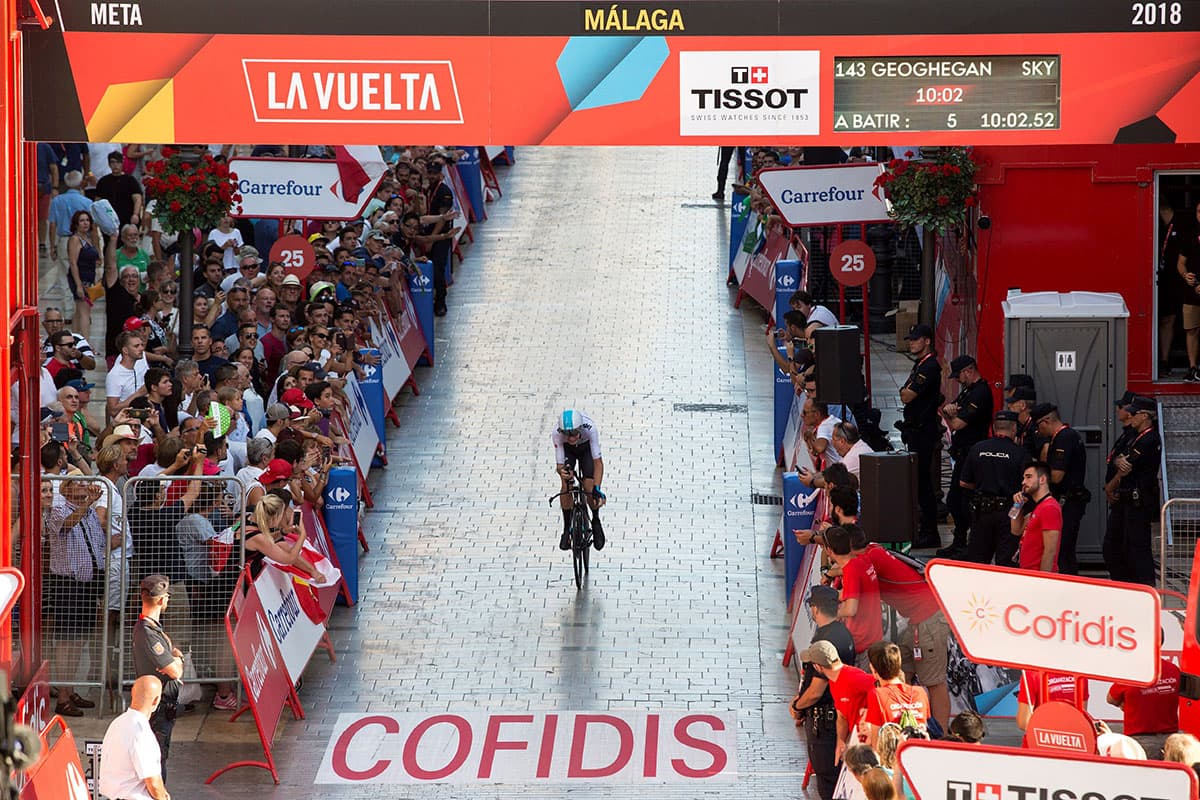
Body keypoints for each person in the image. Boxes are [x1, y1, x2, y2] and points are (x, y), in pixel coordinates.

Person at [44, 478, 106, 716]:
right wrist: (88, 502)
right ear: (67, 488)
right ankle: (62, 696)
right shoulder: (59, 510)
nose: (84, 486)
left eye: (85, 482)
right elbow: (68, 524)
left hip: (88, 583)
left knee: (80, 640)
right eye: (78, 483)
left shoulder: (89, 512)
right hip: (67, 584)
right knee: (66, 640)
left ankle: (69, 690)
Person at [789, 586, 855, 800]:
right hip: (836, 717)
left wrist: (798, 706)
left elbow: (817, 690)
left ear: (815, 609)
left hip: (824, 724)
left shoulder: (826, 640)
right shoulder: (842, 633)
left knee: (827, 782)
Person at [937, 355, 993, 558]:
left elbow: (957, 423)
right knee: (954, 499)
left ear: (969, 371)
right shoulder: (968, 391)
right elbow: (949, 409)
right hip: (961, 454)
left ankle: (968, 543)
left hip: (972, 454)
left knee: (965, 501)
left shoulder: (980, 393)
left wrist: (949, 414)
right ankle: (959, 540)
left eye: (959, 376)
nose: (958, 381)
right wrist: (949, 412)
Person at [1104, 397, 1161, 585]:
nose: (1130, 416)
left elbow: (1126, 465)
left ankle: (1146, 585)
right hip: (1129, 498)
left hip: (1140, 499)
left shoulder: (1149, 438)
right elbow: (1119, 459)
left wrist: (1119, 465)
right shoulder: (1135, 436)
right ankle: (1128, 584)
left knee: (1138, 546)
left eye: (1134, 413)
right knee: (1124, 545)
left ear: (1145, 416)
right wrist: (1118, 461)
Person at [959, 411, 1028, 565]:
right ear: (1014, 429)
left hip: (981, 512)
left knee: (978, 560)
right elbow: (1027, 484)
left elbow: (964, 482)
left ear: (995, 428)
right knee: (1006, 561)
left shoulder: (977, 448)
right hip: (1010, 513)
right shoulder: (1020, 453)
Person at [133, 574, 184, 779]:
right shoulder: (148, 632)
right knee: (157, 758)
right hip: (158, 706)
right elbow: (175, 670)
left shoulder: (152, 628)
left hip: (163, 705)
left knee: (160, 755)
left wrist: (174, 658)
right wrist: (178, 661)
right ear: (162, 600)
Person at [1028, 403, 1088, 575]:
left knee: (1062, 551)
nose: (1039, 431)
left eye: (1039, 426)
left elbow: (1056, 476)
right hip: (1068, 500)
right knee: (1065, 551)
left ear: (1046, 421)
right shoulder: (1060, 437)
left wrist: (1039, 472)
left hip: (1068, 501)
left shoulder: (1064, 438)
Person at [898, 324, 943, 548]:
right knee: (918, 481)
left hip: (923, 431)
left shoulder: (930, 367)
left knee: (923, 483)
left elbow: (907, 395)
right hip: (915, 430)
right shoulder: (920, 365)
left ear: (926, 341)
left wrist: (906, 392)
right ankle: (923, 527)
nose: (911, 343)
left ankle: (929, 530)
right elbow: (904, 391)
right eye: (910, 339)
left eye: (916, 340)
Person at [798, 639, 875, 764]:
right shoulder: (834, 680)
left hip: (868, 744)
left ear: (818, 667)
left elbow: (882, 687)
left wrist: (869, 716)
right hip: (856, 741)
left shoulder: (852, 677)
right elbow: (841, 717)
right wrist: (840, 741)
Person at [1107, 630, 1180, 759]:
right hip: (1170, 741)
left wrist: (1125, 703)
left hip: (1139, 741)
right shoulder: (1174, 670)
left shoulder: (1132, 672)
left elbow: (1111, 699)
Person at [98, 675, 170, 800]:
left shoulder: (117, 723)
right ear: (156, 700)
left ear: (132, 693)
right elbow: (153, 783)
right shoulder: (142, 734)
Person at [825, 525, 882, 670]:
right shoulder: (862, 561)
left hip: (862, 643)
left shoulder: (851, 570)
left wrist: (829, 613)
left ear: (828, 551)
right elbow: (852, 593)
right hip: (872, 636)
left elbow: (851, 609)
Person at [552, 409, 606, 552]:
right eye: (567, 434)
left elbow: (598, 463)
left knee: (589, 486)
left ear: (581, 428)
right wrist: (563, 473)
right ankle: (566, 529)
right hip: (568, 451)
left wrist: (597, 488)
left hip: (586, 448)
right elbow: (559, 466)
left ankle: (595, 520)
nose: (570, 438)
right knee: (566, 484)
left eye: (574, 433)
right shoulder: (557, 434)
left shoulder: (590, 429)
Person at [863, 641, 930, 745]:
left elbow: (876, 742)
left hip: (893, 757)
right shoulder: (920, 692)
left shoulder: (877, 694)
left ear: (873, 669)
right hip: (919, 752)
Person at [1010, 461, 1062, 573]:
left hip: (1037, 576)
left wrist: (1043, 580)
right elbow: (1016, 530)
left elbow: (1050, 550)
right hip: (1029, 573)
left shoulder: (1049, 508)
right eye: (1023, 478)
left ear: (1042, 479)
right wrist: (1017, 506)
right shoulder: (1039, 507)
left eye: (1028, 477)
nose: (1023, 482)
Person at [1015, 669, 1087, 730]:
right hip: (1071, 741)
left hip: (1041, 741)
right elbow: (1082, 718)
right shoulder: (1080, 673)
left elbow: (1023, 722)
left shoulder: (1032, 673)